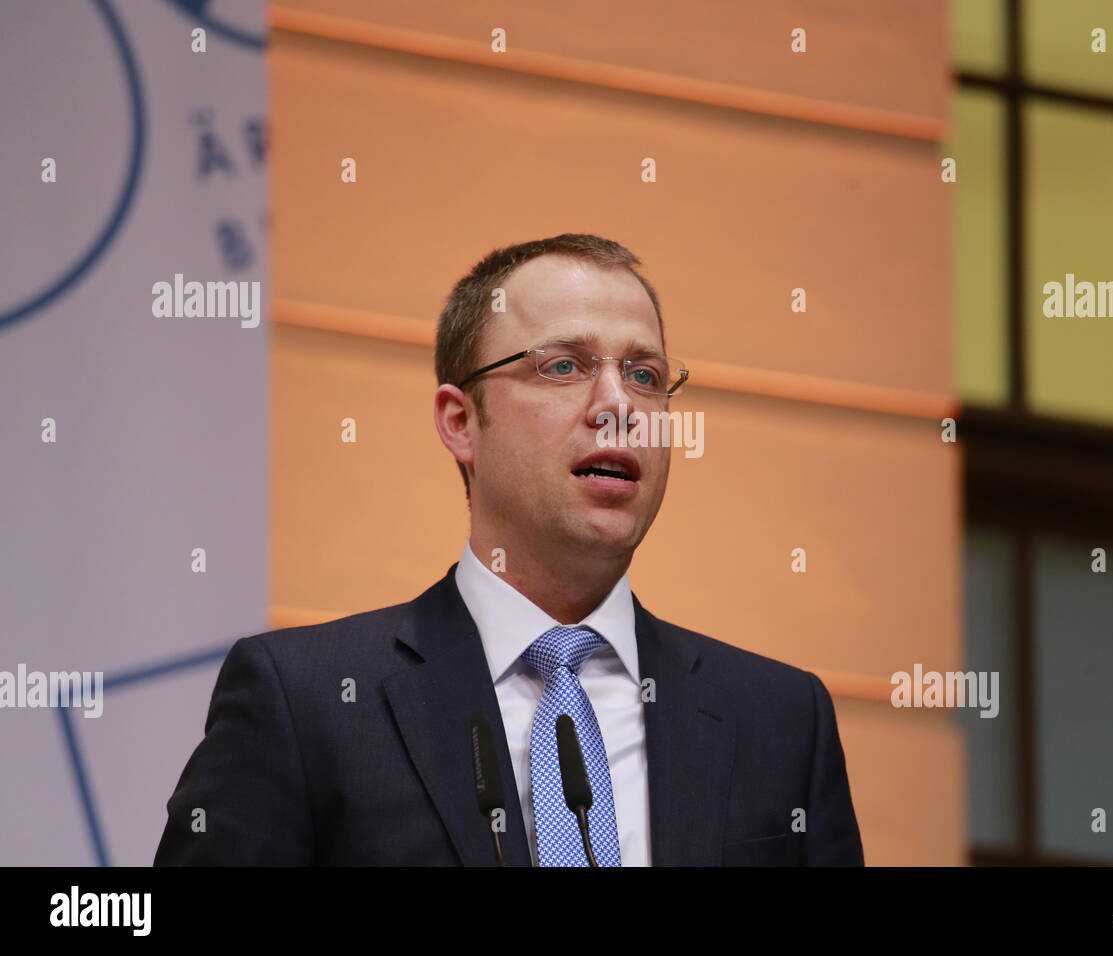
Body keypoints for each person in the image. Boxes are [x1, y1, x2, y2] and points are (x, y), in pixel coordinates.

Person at [154, 233, 864, 866]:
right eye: (564, 368)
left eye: (645, 376)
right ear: (461, 422)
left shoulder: (779, 719)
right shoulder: (304, 701)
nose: (617, 404)